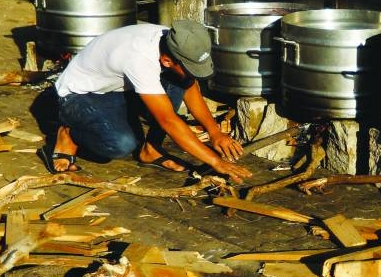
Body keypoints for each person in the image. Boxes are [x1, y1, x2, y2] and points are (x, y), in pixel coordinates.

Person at [42, 20, 252, 183]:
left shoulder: (173, 41)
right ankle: (69, 134)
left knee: (179, 81)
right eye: (189, 68)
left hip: (119, 88)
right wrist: (215, 161)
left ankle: (150, 150)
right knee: (120, 145)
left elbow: (189, 86)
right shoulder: (139, 57)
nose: (192, 74)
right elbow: (168, 120)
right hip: (78, 95)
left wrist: (215, 132)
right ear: (167, 61)